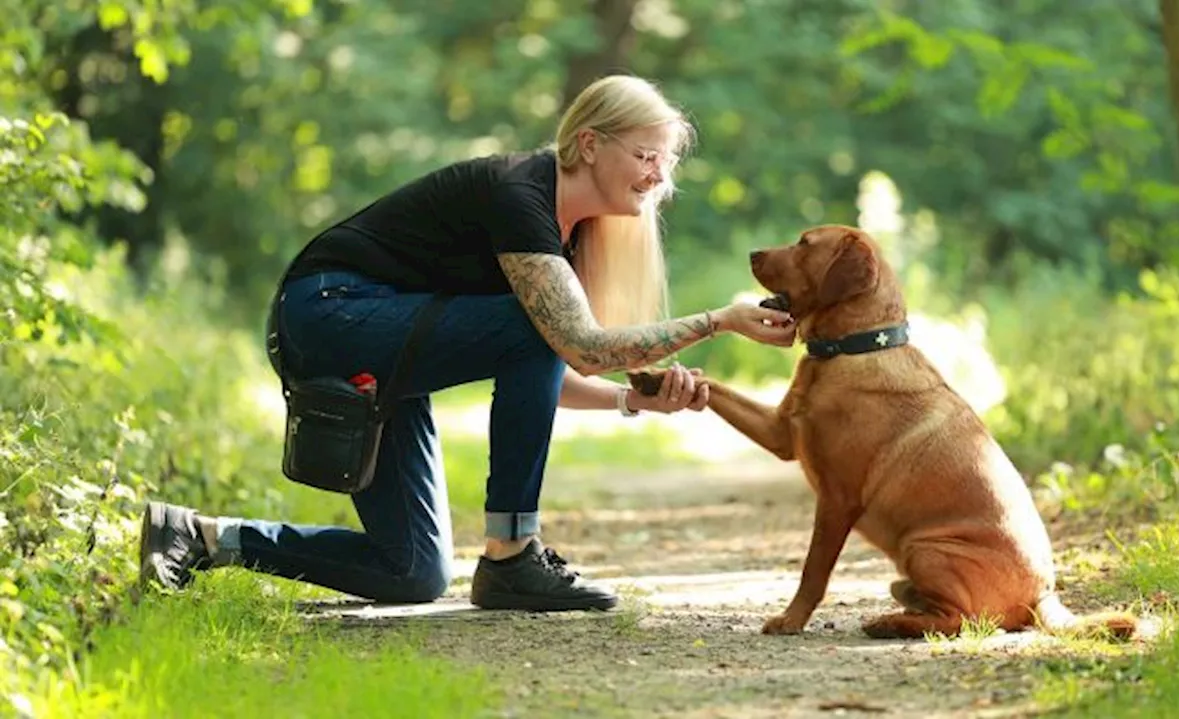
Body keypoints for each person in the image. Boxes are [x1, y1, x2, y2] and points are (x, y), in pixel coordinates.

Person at [138, 74, 796, 612]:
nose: (659, 176)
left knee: (413, 571)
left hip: (387, 340)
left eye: (667, 161)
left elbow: (541, 366)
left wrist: (633, 402)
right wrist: (719, 320)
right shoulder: (520, 195)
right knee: (526, 322)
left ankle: (198, 537)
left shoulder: (562, 236)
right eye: (645, 154)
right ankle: (513, 552)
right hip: (326, 311)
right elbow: (572, 341)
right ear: (591, 144)